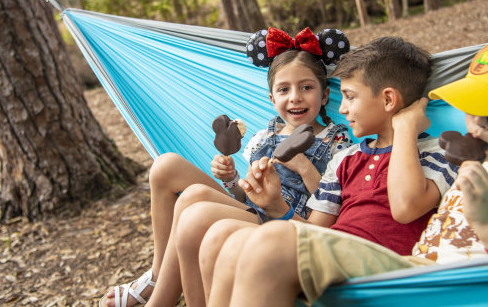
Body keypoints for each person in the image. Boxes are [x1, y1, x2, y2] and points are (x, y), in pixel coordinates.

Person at [206, 29, 488, 307]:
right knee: (239, 241)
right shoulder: (470, 161)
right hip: (411, 271)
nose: (478, 125)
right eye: (473, 106)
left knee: (272, 243)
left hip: (439, 290)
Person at [196, 36, 459, 306]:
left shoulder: (438, 154)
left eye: (350, 97)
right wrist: (276, 206)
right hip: (331, 256)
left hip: (388, 272)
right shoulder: (345, 160)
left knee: (269, 238)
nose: (342, 108)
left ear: (389, 99)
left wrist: (404, 130)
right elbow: (313, 230)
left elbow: (406, 207)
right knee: (229, 238)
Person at [99, 27, 352, 307]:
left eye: (306, 87)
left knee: (195, 209)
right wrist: (232, 179)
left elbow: (334, 204)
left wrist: (305, 167)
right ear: (272, 99)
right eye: (284, 89)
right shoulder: (264, 138)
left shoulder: (335, 141)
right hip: (252, 210)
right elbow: (244, 197)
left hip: (287, 222)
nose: (295, 97)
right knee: (168, 168)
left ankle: (161, 300)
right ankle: (159, 279)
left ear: (325, 95)